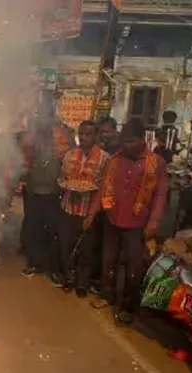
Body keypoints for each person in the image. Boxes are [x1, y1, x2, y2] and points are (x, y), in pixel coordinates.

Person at [86, 120, 169, 324]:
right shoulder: (114, 160)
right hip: (112, 219)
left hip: (137, 223)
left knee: (134, 267)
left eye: (131, 141)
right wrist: (92, 213)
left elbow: (160, 195)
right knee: (108, 261)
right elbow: (103, 188)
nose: (126, 146)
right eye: (124, 141)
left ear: (142, 140)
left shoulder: (156, 162)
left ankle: (128, 307)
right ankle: (107, 295)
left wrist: (153, 223)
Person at [20, 93, 73, 285]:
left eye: (47, 110)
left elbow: (70, 157)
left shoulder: (63, 132)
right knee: (33, 227)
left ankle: (53, 268)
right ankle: (34, 263)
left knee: (54, 229)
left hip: (55, 189)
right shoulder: (31, 133)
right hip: (34, 188)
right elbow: (24, 159)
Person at [57, 121, 109, 297]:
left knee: (87, 250)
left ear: (95, 136)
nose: (84, 138)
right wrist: (67, 184)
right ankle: (68, 277)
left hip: (88, 211)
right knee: (66, 245)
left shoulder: (104, 158)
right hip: (68, 208)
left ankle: (82, 283)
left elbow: (103, 188)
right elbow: (63, 177)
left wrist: (93, 213)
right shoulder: (69, 154)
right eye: (82, 134)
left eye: (88, 134)